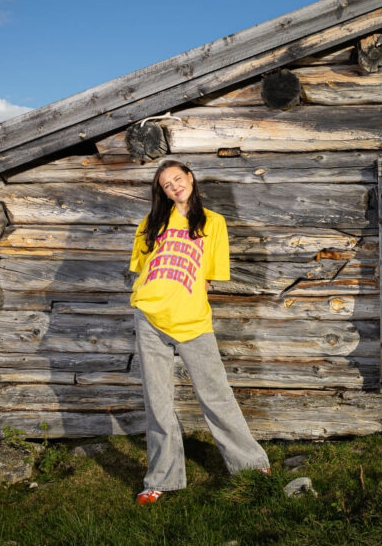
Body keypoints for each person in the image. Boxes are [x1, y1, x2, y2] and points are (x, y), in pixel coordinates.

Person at [128, 159, 270, 505]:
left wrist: (185, 301)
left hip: (192, 323)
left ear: (190, 178)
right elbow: (142, 270)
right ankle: (161, 478)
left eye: (178, 178)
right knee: (158, 403)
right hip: (148, 319)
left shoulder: (213, 223)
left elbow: (207, 278)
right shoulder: (150, 223)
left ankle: (251, 465)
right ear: (161, 192)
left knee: (216, 396)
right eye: (166, 184)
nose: (174, 186)